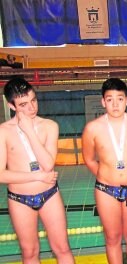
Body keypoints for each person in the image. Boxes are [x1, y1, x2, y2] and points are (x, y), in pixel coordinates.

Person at [0, 77, 73, 263]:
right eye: (23, 104)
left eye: (33, 100)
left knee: (62, 248)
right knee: (30, 252)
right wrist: (37, 175)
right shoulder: (3, 132)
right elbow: (1, 174)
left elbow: (48, 164)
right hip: (19, 200)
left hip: (49, 195)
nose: (31, 108)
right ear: (11, 105)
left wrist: (30, 132)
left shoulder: (49, 126)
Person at [82, 78, 127, 264]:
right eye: (110, 99)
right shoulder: (92, 128)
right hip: (106, 190)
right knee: (112, 238)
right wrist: (107, 176)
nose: (115, 104)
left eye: (120, 99)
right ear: (103, 102)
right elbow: (89, 159)